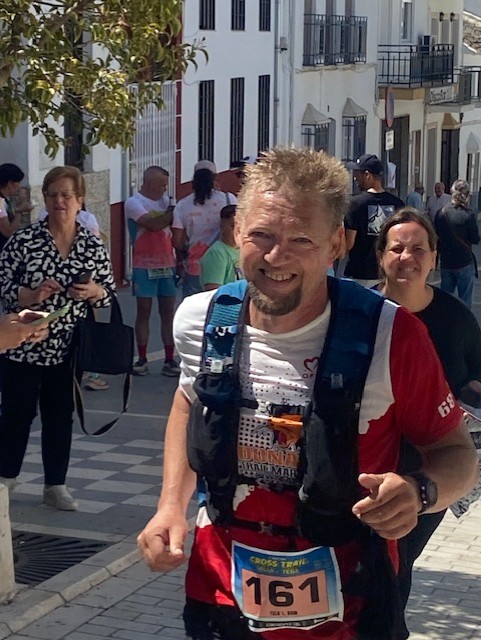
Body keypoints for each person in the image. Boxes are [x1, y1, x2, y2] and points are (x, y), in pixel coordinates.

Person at [137, 148, 478, 640]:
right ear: (237, 231)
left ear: (335, 243)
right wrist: (171, 505)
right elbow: (189, 400)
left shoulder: (391, 334)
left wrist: (419, 492)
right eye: (262, 235)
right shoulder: (201, 320)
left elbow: (456, 454)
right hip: (222, 594)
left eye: (301, 239)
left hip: (351, 607)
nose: (277, 257)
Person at [375, 207, 481, 619]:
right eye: (397, 248)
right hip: (364, 466)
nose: (407, 257)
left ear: (434, 258)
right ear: (381, 255)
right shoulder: (358, 314)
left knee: (395, 564)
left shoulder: (456, 319)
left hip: (429, 470)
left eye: (418, 249)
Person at [0, 165, 115, 511]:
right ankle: (6, 478)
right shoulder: (24, 240)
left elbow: (108, 293)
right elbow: (4, 286)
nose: (59, 201)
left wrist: (94, 291)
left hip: (69, 346)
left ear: (80, 200)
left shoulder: (92, 244)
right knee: (16, 413)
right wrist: (30, 294)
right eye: (52, 195)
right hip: (23, 343)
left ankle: (55, 485)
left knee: (60, 414)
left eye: (66, 195)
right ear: (45, 199)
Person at [124, 166, 180, 377]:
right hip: (143, 265)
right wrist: (173, 212)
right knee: (144, 311)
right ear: (150, 184)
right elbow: (153, 225)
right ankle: (142, 358)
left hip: (167, 263)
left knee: (167, 312)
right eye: (162, 185)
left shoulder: (166, 202)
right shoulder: (134, 203)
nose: (165, 189)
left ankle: (169, 359)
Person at [172, 161, 237, 298]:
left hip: (195, 265)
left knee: (194, 305)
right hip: (225, 261)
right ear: (215, 178)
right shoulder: (228, 199)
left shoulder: (182, 205)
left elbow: (177, 241)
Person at [344, 154, 404, 286]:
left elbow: (348, 243)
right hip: (388, 273)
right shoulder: (398, 204)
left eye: (357, 173)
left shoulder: (355, 204)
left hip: (360, 273)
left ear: (367, 175)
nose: (355, 178)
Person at [434, 179, 480, 309]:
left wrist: (435, 259)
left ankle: (445, 320)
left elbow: (436, 237)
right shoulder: (468, 215)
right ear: (467, 194)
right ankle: (463, 322)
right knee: (465, 301)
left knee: (446, 300)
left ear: (451, 192)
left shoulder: (441, 213)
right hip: (464, 261)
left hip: (446, 262)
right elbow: (475, 239)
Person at [199, 204, 241, 290]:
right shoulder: (217, 254)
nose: (237, 231)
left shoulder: (243, 250)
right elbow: (213, 291)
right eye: (232, 226)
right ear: (222, 227)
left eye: (240, 227)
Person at [0, 163, 25, 250]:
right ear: (10, 183)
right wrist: (20, 211)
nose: (19, 187)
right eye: (18, 182)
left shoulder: (6, 200)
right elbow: (8, 231)